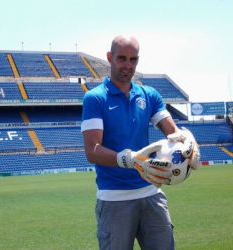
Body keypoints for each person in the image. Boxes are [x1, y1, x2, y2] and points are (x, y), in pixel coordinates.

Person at [81, 35, 200, 250]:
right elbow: (92, 150)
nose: (128, 66)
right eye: (122, 58)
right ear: (110, 57)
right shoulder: (95, 98)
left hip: (151, 192)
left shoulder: (150, 95)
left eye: (133, 60)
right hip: (114, 198)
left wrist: (187, 142)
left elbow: (171, 132)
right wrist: (131, 159)